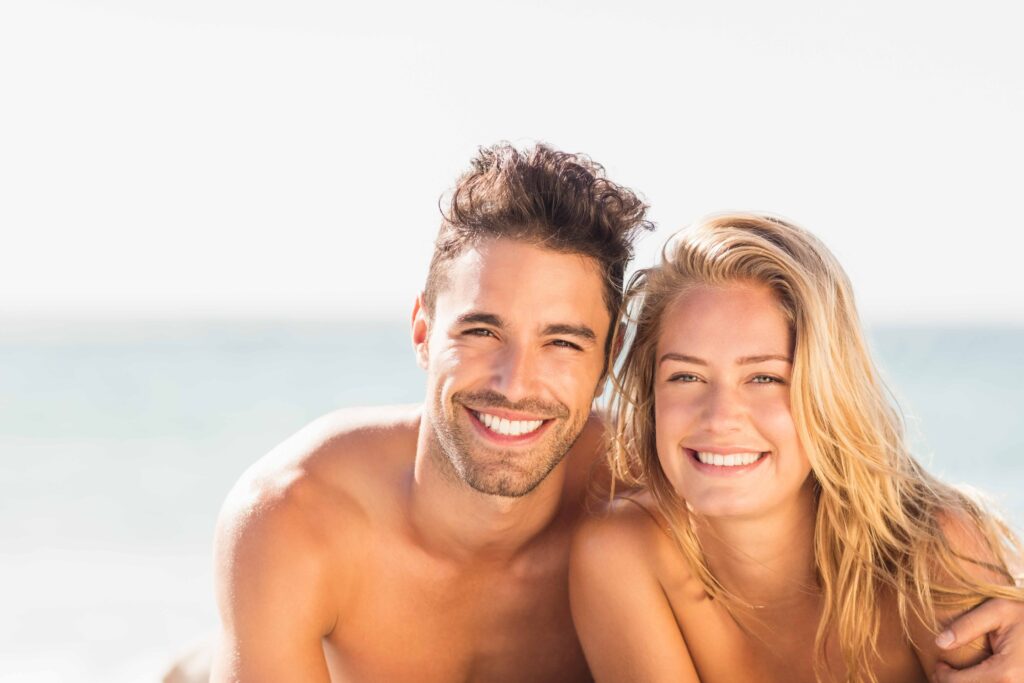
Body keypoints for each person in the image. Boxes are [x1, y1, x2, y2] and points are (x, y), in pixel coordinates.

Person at [208, 147, 1024, 683]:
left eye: (563, 341)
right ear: (423, 330)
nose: (514, 381)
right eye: (481, 328)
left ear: (609, 358)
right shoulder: (293, 519)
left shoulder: (655, 485)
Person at [569, 213, 1024, 683]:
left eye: (764, 378)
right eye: (686, 376)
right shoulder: (623, 555)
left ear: (828, 392)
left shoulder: (931, 553)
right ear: (651, 396)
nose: (720, 416)